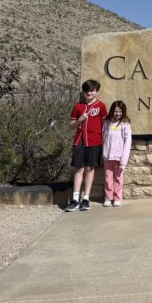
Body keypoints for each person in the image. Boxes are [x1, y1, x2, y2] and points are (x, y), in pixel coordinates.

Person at [65, 80, 108, 212]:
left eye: (92, 90)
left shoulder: (101, 106)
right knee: (79, 169)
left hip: (95, 141)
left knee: (90, 169)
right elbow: (71, 125)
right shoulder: (77, 107)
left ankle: (86, 198)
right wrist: (80, 120)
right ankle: (75, 199)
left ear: (96, 91)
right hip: (79, 141)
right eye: (87, 91)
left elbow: (104, 124)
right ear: (83, 92)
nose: (89, 93)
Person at [102, 100, 132, 207]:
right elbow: (104, 138)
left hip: (119, 156)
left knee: (118, 178)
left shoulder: (125, 125)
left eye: (120, 111)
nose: (117, 113)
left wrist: (124, 159)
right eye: (115, 111)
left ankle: (117, 198)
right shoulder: (106, 123)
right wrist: (104, 153)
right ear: (112, 111)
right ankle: (108, 197)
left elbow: (128, 142)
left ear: (123, 112)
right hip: (108, 155)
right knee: (108, 178)